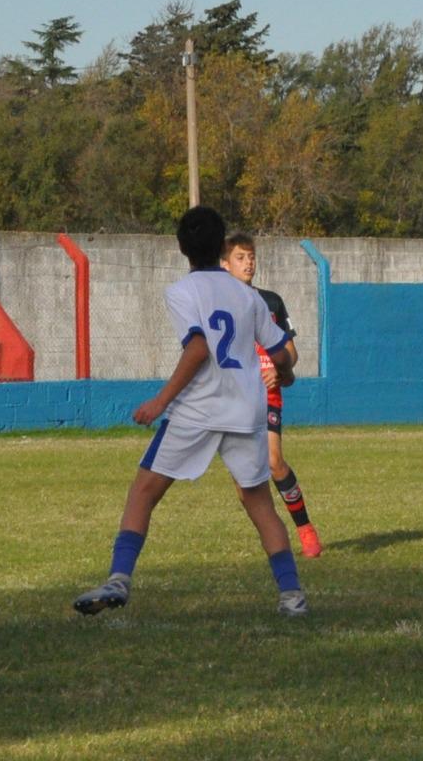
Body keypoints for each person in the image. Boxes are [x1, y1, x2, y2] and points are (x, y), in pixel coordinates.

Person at [73, 206, 309, 617]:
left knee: (144, 492)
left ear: (182, 248)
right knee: (259, 505)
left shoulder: (182, 292)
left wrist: (160, 401)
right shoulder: (248, 295)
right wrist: (285, 373)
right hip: (244, 408)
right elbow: (280, 353)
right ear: (221, 248)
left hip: (198, 409)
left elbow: (198, 348)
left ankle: (119, 579)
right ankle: (292, 597)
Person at [221, 232, 323, 558]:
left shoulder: (271, 302)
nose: (248, 263)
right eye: (240, 257)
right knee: (244, 480)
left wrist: (279, 370)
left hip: (267, 393)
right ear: (224, 265)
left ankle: (305, 528)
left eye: (251, 257)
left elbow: (290, 352)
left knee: (274, 461)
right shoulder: (216, 307)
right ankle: (271, 534)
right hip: (231, 399)